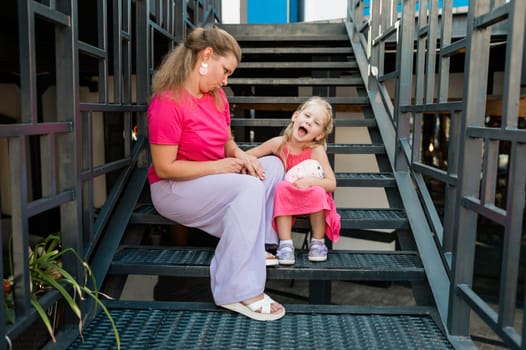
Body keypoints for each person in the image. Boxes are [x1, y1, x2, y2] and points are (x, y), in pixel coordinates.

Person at [147, 26, 285, 321]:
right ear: (206, 56)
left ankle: (255, 244)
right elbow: (164, 167)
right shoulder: (167, 102)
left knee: (271, 166)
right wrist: (221, 166)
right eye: (225, 70)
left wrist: (241, 156)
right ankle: (237, 291)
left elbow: (226, 142)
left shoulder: (217, 98)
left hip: (212, 181)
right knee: (248, 189)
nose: (225, 79)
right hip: (174, 187)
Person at [247, 97, 341, 265]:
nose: (309, 122)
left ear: (319, 135)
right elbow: (248, 155)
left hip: (310, 196)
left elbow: (331, 183)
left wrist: (311, 181)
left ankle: (318, 243)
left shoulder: (316, 150)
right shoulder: (279, 144)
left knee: (320, 191)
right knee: (281, 187)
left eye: (316, 122)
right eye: (307, 116)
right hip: (289, 197)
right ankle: (285, 244)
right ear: (295, 116)